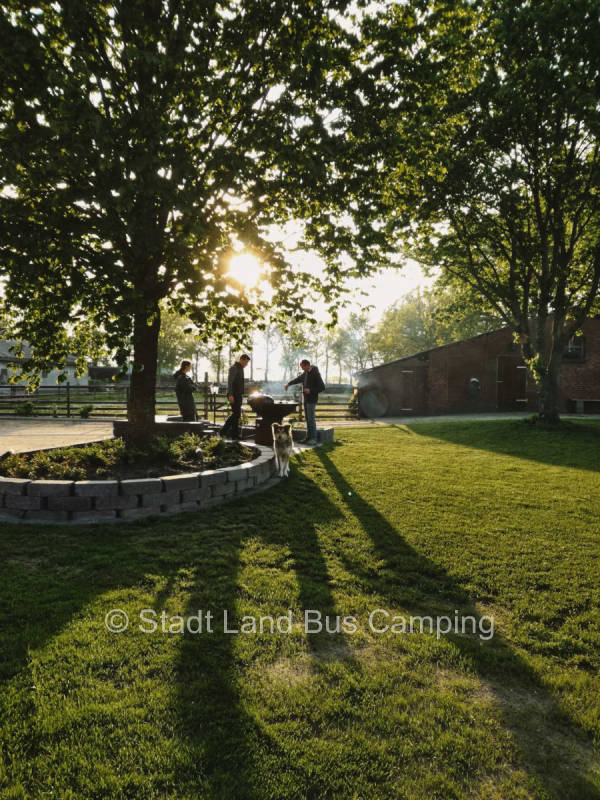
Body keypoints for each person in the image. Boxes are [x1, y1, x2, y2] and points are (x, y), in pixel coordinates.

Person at [285, 359, 325, 444]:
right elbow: (297, 379)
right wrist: (288, 384)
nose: (302, 369)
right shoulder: (305, 373)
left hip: (312, 400)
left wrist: (310, 390)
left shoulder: (315, 373)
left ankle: (313, 438)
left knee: (311, 419)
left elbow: (322, 387)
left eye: (303, 367)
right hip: (306, 400)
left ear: (307, 365)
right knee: (307, 419)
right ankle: (308, 437)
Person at [221, 354, 250, 439]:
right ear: (242, 360)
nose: (246, 364)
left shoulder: (240, 369)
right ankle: (224, 431)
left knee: (237, 415)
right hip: (233, 395)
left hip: (238, 395)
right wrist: (230, 395)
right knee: (236, 414)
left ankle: (234, 435)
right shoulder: (234, 368)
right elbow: (230, 383)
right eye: (246, 362)